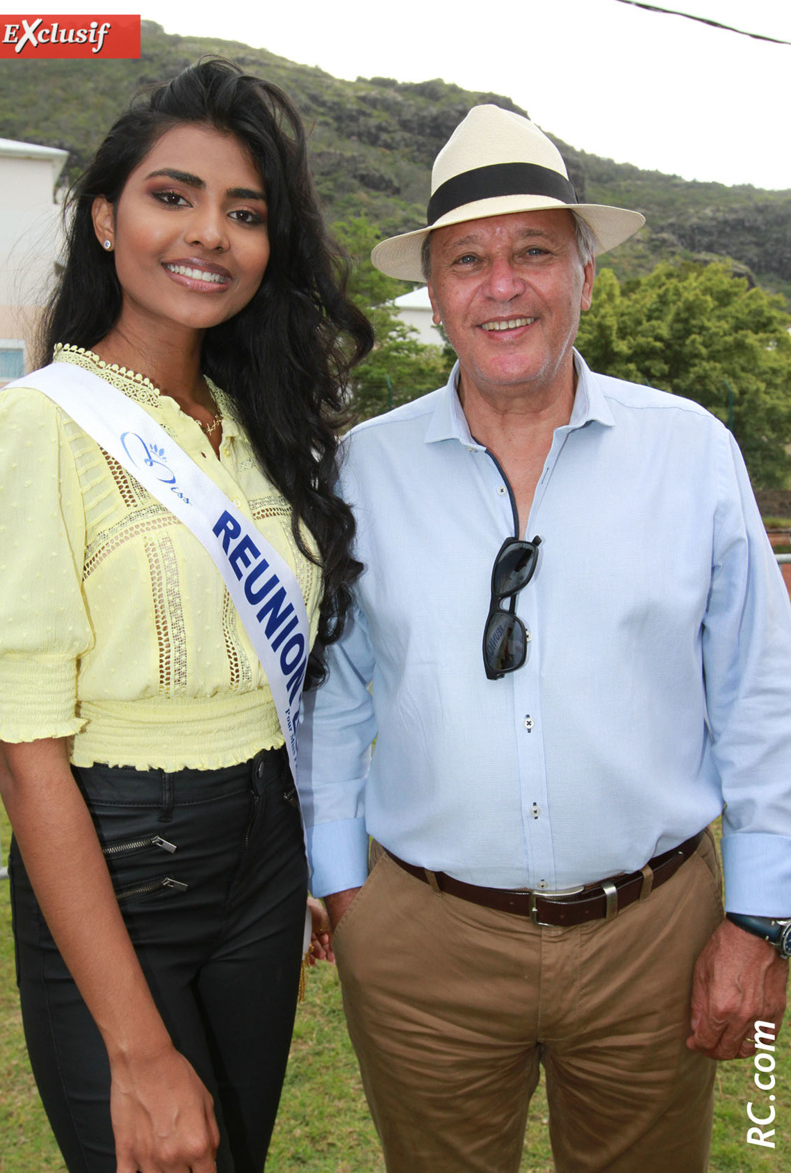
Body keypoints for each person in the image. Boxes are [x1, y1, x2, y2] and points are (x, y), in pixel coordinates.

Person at [297, 104, 791, 1172]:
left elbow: (760, 694)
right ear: (435, 292)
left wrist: (760, 919)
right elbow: (337, 689)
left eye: (534, 252)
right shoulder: (360, 473)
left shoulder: (690, 453)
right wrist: (347, 891)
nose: (502, 284)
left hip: (653, 936)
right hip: (426, 939)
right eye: (467, 259)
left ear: (586, 275)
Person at [0, 59, 371, 1173]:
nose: (211, 235)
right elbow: (26, 758)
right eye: (172, 196)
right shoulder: (39, 426)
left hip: (263, 856)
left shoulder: (253, 425)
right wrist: (134, 1052)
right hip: (120, 864)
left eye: (246, 212)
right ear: (105, 218)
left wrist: (283, 854)